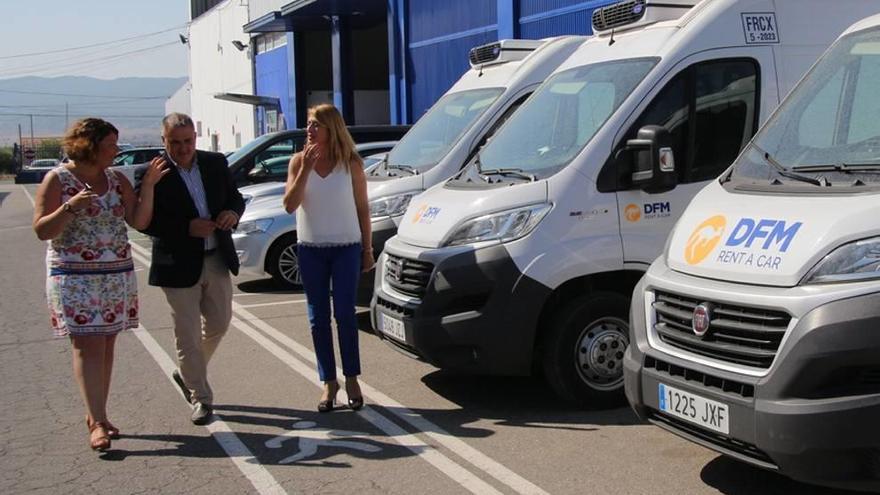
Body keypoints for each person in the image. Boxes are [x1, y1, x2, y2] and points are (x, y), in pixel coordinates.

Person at [33, 118, 167, 451]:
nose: (116, 150)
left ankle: (99, 415)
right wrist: (69, 207)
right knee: (87, 345)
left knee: (106, 345)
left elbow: (138, 221)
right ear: (89, 145)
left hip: (115, 274)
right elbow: (42, 230)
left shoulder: (115, 179)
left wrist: (148, 186)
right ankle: (96, 421)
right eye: (110, 144)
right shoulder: (58, 179)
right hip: (75, 276)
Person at [140, 113, 245, 425]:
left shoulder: (214, 163)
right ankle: (200, 398)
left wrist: (231, 213)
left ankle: (186, 373)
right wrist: (186, 227)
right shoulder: (154, 173)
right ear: (164, 141)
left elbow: (236, 198)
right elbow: (146, 222)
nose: (183, 148)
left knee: (220, 323)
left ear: (195, 138)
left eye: (187, 141)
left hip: (215, 258)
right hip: (177, 265)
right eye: (175, 142)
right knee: (186, 335)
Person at [283, 104, 374, 412]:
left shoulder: (351, 163)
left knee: (345, 315)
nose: (309, 130)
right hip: (311, 249)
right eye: (308, 124)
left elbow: (363, 208)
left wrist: (367, 249)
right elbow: (289, 206)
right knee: (317, 318)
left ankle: (351, 378)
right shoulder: (298, 162)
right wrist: (306, 169)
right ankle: (328, 382)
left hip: (346, 247)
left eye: (316, 125)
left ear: (331, 128)